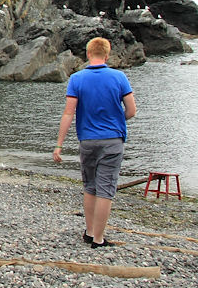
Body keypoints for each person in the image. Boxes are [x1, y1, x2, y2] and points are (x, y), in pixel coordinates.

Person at [53, 37, 137, 248]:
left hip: (88, 140)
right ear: (107, 55)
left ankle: (89, 231)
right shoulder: (119, 77)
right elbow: (132, 110)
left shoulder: (77, 78)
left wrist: (59, 145)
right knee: (105, 189)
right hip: (112, 141)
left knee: (90, 187)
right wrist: (118, 119)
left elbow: (68, 113)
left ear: (88, 54)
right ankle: (98, 239)